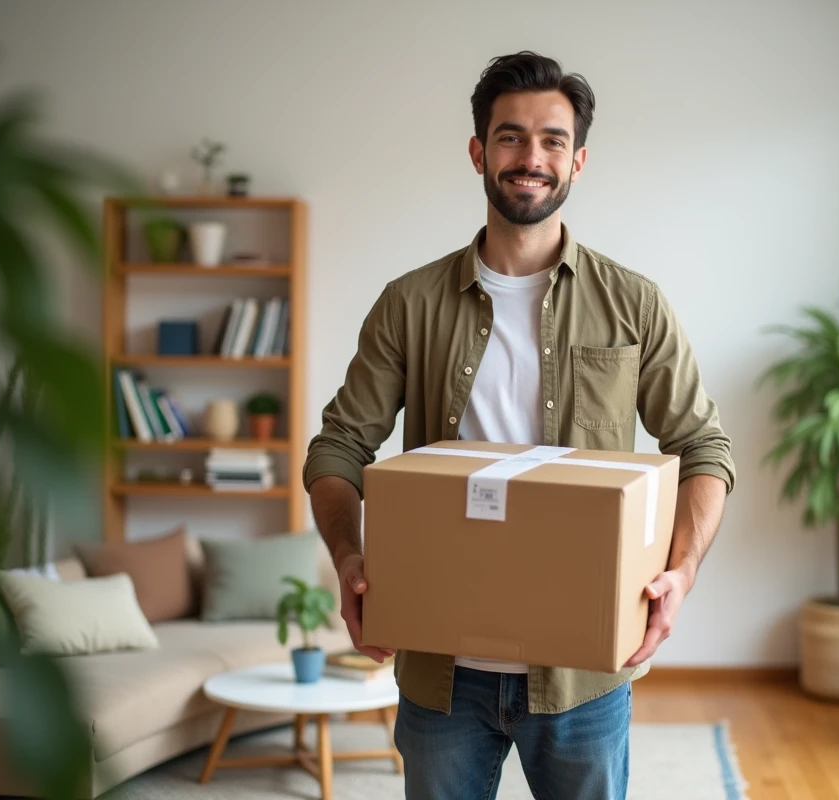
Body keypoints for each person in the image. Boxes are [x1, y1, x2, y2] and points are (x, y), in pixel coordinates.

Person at [303, 50, 735, 800]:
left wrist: (681, 572)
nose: (530, 157)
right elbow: (338, 446)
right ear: (478, 151)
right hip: (442, 668)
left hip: (583, 674)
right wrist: (348, 560)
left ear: (579, 160)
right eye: (509, 137)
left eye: (552, 140)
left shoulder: (634, 303)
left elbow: (704, 447)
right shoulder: (410, 303)